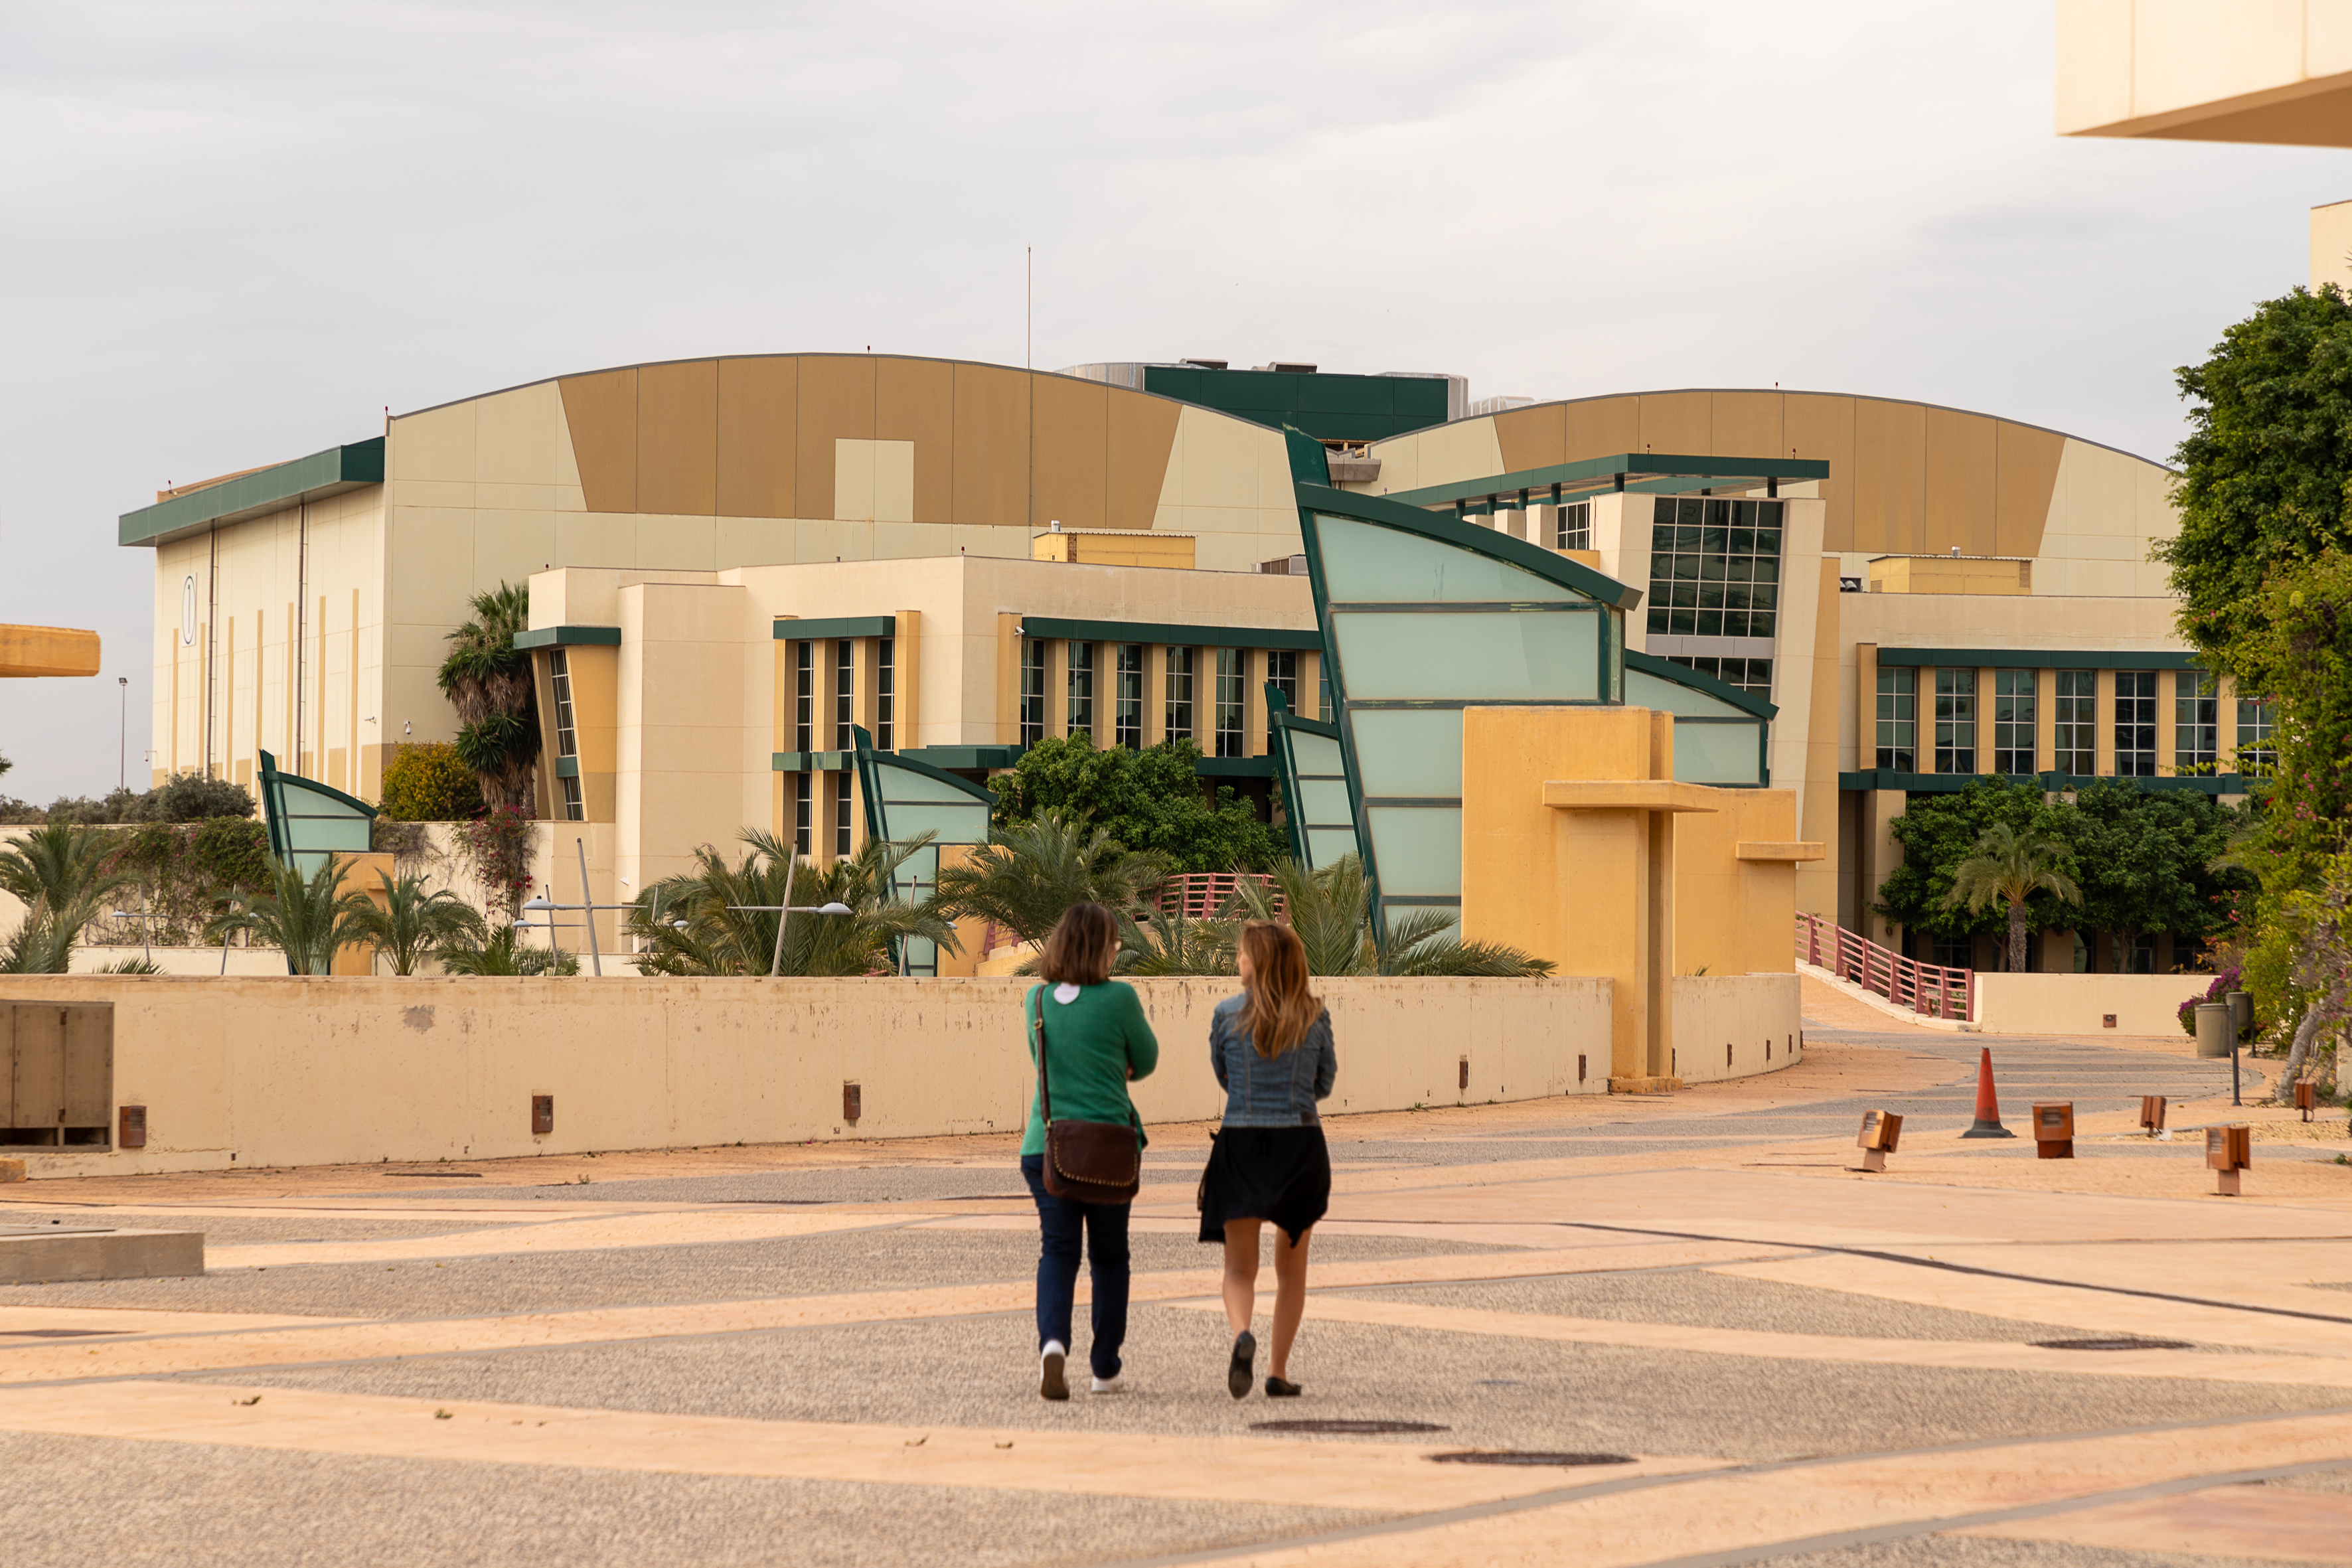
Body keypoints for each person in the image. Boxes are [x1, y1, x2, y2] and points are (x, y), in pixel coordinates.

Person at [1020, 901, 1158, 1401]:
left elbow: (1044, 1064)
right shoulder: (1119, 999)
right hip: (1106, 1149)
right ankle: (1104, 1368)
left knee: (1057, 1252)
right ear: (1103, 949)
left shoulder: (1035, 1001)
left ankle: (1053, 1346)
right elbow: (1145, 1061)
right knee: (1109, 1258)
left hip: (1047, 1145)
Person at [1199, 919, 1336, 1399]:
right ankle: (1278, 1371)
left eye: (1241, 954)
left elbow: (1223, 1074)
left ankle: (1242, 1334)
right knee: (1291, 1270)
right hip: (1300, 1144)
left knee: (1239, 1268)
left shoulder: (1226, 1013)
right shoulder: (1314, 1015)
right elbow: (1324, 1083)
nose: (1237, 961)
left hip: (1241, 1141)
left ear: (1256, 963)